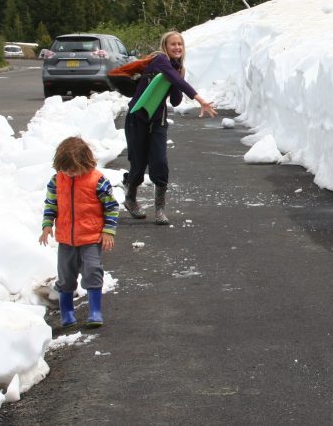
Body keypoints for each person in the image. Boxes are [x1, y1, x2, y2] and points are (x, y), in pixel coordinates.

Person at [122, 30, 217, 225]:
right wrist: (199, 99)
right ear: (165, 46)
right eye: (173, 44)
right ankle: (130, 198)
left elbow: (174, 100)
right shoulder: (159, 60)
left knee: (159, 162)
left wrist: (177, 79)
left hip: (158, 121)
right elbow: (176, 81)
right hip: (137, 118)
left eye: (180, 44)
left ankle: (159, 209)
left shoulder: (175, 70)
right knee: (138, 163)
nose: (177, 47)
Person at [39, 136, 119, 329]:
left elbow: (111, 207)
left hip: (91, 238)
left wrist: (108, 231)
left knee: (92, 272)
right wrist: (47, 225)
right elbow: (51, 204)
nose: (69, 173)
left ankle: (95, 311)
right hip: (66, 239)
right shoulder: (57, 181)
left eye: (73, 169)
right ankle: (67, 313)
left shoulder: (98, 181)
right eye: (64, 169)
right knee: (65, 276)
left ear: (85, 162)